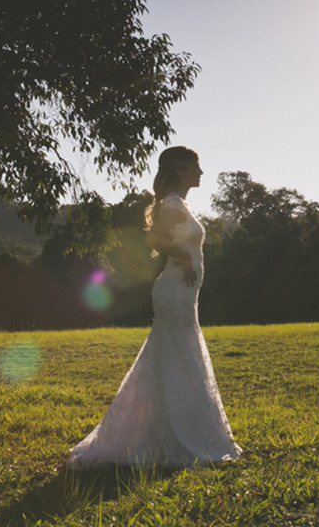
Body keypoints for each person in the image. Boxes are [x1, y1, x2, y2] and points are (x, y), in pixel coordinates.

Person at [66, 146, 242, 469]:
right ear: (180, 169)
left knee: (175, 356)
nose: (201, 173)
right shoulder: (174, 204)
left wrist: (187, 257)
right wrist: (186, 256)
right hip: (173, 292)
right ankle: (171, 435)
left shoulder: (179, 204)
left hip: (182, 293)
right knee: (178, 354)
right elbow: (155, 239)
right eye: (196, 167)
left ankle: (176, 428)